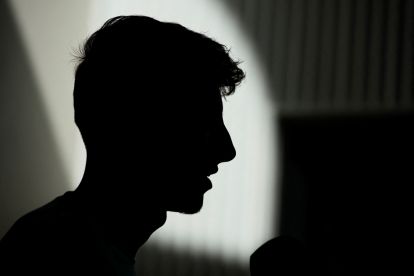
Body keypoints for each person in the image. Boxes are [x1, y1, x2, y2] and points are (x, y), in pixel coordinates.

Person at [0, 15, 245, 276]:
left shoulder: (61, 241)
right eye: (203, 124)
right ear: (135, 127)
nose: (227, 150)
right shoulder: (58, 257)